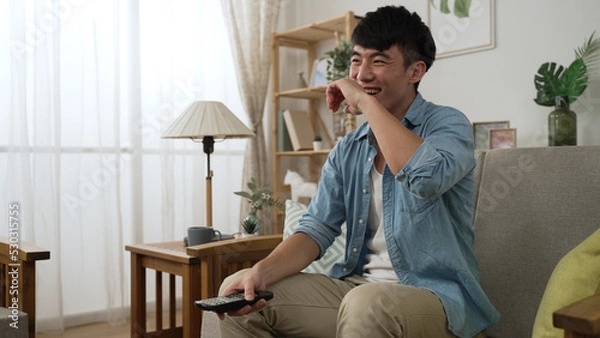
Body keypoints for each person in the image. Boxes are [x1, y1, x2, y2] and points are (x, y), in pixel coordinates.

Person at [217, 5, 500, 338]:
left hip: (436, 298)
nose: (362, 74)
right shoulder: (349, 148)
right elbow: (316, 229)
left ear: (415, 71)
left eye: (378, 61)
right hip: (355, 290)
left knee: (366, 303)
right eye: (356, 60)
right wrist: (260, 272)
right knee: (237, 295)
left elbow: (426, 179)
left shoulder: (448, 124)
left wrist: (366, 104)